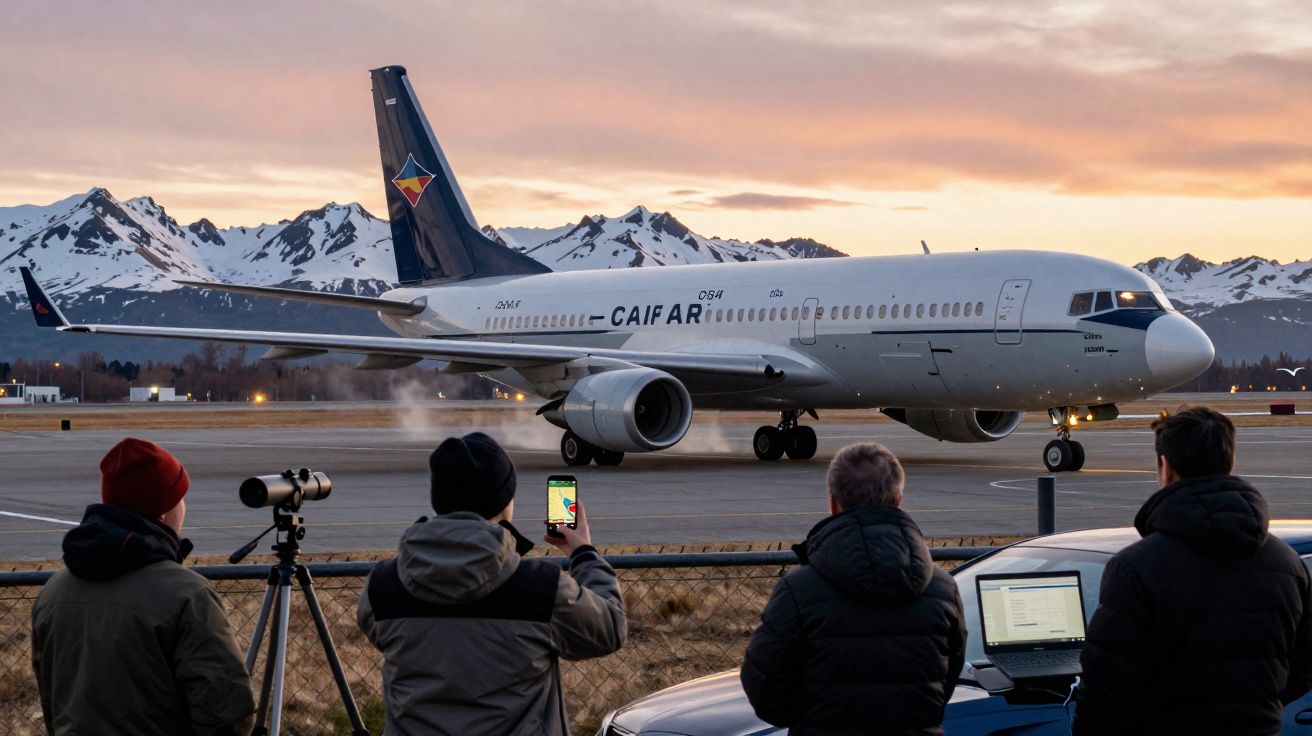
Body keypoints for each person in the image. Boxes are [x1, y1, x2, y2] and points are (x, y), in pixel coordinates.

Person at [357, 432, 626, 735]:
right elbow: (610, 628)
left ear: (439, 500)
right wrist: (584, 553)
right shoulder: (541, 590)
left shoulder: (381, 587)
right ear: (504, 503)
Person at [1075, 407, 1312, 735]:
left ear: (1165, 467)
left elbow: (1105, 691)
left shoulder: (1135, 568)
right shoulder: (1288, 564)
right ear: (1229, 463)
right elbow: (1302, 671)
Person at [31, 437, 255, 735]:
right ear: (162, 512)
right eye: (179, 497)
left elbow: (53, 702)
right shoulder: (186, 594)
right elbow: (225, 713)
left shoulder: (53, 592)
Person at [741, 442, 967, 735]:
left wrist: (814, 716)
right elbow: (946, 683)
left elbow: (767, 696)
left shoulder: (798, 590)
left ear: (833, 502)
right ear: (897, 499)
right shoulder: (943, 589)